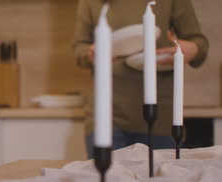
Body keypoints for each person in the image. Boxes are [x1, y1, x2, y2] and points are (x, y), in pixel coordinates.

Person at [73, 0, 209, 158]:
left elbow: (199, 44)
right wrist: (90, 52)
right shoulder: (90, 2)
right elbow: (79, 48)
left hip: (161, 118)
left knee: (161, 181)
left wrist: (192, 49)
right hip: (106, 116)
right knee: (108, 181)